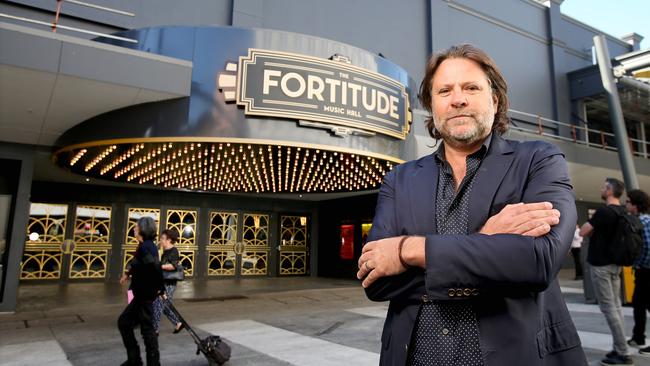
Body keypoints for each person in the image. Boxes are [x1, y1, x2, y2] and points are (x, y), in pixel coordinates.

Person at [356, 44, 586, 365]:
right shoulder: (400, 179)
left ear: (494, 100)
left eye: (471, 88)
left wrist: (409, 250)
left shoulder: (539, 160)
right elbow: (376, 281)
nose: (458, 98)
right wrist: (488, 244)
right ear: (432, 106)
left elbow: (539, 262)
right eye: (444, 90)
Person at [580, 178, 634, 365]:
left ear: (610, 190)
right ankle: (619, 347)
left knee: (608, 308)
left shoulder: (603, 211)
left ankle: (622, 351)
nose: (602, 189)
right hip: (616, 264)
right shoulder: (623, 211)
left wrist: (592, 228)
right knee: (616, 307)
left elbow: (583, 231)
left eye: (604, 187)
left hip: (601, 264)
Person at [118, 217, 164, 366]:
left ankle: (137, 361)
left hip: (143, 296)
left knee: (140, 328)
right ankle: (138, 360)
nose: (134, 229)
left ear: (143, 229)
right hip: (141, 294)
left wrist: (160, 288)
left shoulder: (146, 247)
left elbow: (155, 267)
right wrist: (129, 273)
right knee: (142, 328)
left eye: (136, 227)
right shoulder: (145, 245)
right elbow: (143, 265)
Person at [625, 189, 650, 354]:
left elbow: (648, 247)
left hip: (646, 270)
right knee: (638, 304)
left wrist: (638, 264)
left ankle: (639, 337)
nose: (626, 204)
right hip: (643, 270)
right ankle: (638, 336)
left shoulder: (642, 221)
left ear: (635, 204)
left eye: (628, 201)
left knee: (641, 304)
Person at [152, 228, 184, 334]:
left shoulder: (173, 251)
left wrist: (161, 266)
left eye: (162, 238)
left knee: (158, 303)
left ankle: (154, 329)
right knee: (164, 305)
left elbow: (173, 265)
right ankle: (178, 323)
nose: (160, 240)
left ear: (169, 240)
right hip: (164, 281)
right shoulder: (165, 251)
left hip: (169, 283)